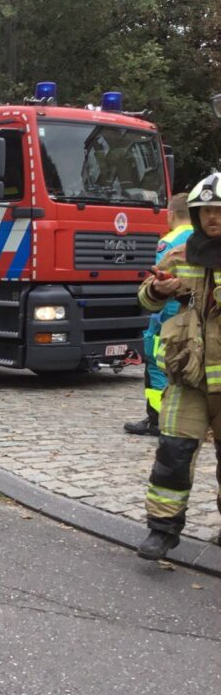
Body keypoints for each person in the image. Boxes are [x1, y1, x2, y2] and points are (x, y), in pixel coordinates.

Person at [135, 175, 221, 559]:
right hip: (189, 378)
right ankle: (162, 530)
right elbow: (147, 297)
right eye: (205, 211)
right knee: (173, 454)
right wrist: (159, 288)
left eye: (219, 210)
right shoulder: (182, 252)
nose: (212, 218)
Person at [124, 192, 192, 436]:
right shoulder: (201, 240)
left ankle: (157, 419)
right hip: (195, 316)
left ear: (170, 214)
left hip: (168, 315)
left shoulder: (169, 242)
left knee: (156, 364)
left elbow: (161, 282)